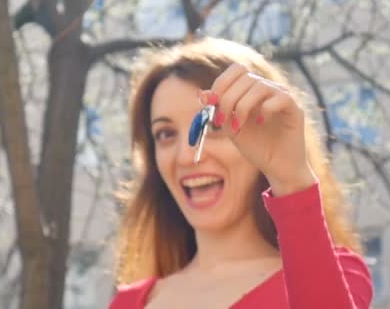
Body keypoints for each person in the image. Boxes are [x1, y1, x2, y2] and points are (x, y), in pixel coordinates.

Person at [109, 38, 373, 308]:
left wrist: (291, 180)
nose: (187, 156)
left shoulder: (336, 276)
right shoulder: (129, 302)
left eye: (214, 125)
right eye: (165, 134)